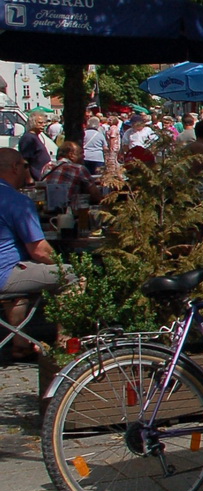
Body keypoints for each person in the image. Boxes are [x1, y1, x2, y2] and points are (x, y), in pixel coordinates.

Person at [0, 148, 70, 358]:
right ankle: (65, 346)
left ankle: (20, 345)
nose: (27, 170)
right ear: (15, 168)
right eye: (24, 166)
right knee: (71, 275)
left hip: (11, 270)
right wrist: (62, 261)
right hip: (4, 275)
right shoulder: (16, 201)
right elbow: (39, 251)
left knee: (23, 273)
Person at [16, 113, 51, 182]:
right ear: (32, 123)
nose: (43, 125)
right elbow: (25, 160)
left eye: (44, 123)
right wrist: (29, 178)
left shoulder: (35, 137)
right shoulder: (28, 138)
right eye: (40, 123)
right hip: (35, 178)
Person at [81, 112, 107, 176]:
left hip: (85, 156)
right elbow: (105, 147)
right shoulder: (100, 135)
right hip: (98, 158)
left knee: (86, 176)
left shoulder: (83, 133)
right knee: (97, 177)